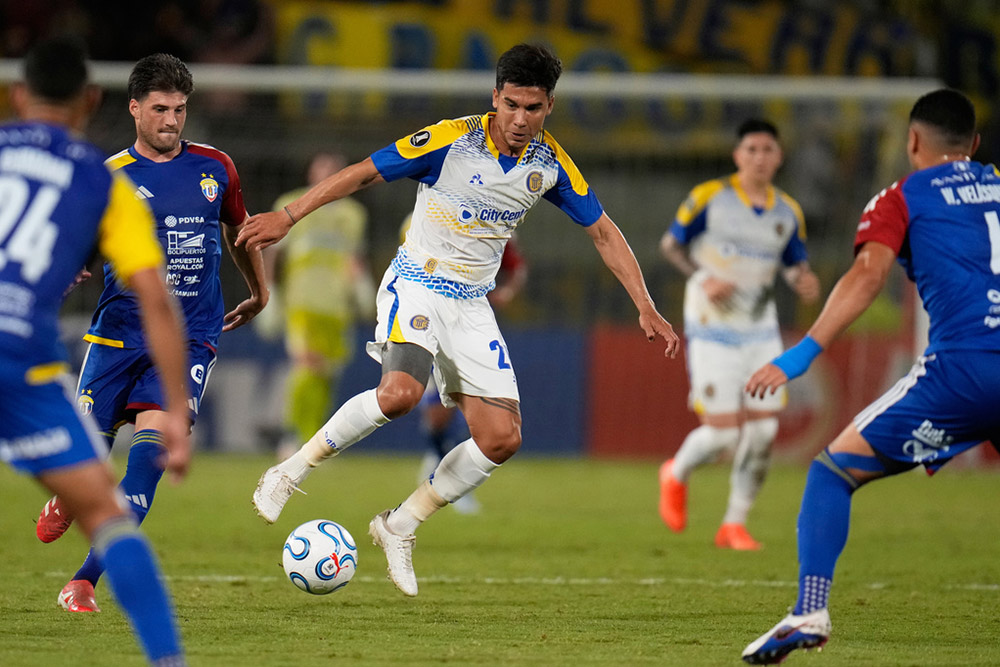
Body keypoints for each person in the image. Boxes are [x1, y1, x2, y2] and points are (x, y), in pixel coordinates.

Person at [238, 42, 680, 597]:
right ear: (495, 98)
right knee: (399, 393)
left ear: (549, 108)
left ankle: (400, 524)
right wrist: (289, 214)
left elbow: (602, 230)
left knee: (501, 438)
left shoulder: (549, 166)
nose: (520, 119)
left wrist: (644, 303)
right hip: (417, 281)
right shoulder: (451, 139)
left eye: (533, 108)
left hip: (472, 303)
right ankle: (289, 471)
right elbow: (363, 174)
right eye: (512, 104)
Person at [741, 89, 995, 664]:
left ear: (911, 143)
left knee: (832, 472)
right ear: (975, 146)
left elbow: (867, 273)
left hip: (960, 372)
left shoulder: (901, 197)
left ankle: (809, 609)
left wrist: (802, 352)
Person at [34, 52, 268, 613]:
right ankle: (68, 495)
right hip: (118, 333)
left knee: (150, 457)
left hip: (190, 336)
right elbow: (72, 245)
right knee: (84, 458)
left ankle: (85, 581)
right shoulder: (108, 175)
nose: (171, 120)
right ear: (135, 108)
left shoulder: (216, 168)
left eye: (180, 109)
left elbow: (242, 232)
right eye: (160, 109)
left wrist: (260, 292)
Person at [2, 37, 189, 665]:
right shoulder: (102, 180)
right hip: (22, 366)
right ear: (90, 102)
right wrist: (180, 422)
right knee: (109, 516)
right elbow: (156, 299)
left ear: (17, 96)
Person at [657, 119, 821, 550]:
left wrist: (802, 278)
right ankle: (675, 473)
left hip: (761, 331)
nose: (760, 157)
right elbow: (671, 246)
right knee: (725, 434)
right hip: (712, 328)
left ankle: (734, 523)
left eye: (768, 150)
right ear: (738, 155)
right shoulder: (710, 198)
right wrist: (703, 277)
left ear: (779, 157)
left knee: (765, 432)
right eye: (751, 149)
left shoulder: (787, 212)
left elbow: (793, 262)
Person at [257, 151, 375, 458]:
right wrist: (268, 294)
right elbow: (273, 254)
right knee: (306, 365)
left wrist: (362, 288)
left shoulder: (353, 215)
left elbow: (355, 259)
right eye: (320, 170)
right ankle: (291, 434)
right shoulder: (292, 203)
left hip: (337, 306)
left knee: (327, 372)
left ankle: (312, 438)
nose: (325, 178)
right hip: (302, 300)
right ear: (310, 175)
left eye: (333, 172)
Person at [413, 227, 528, 514]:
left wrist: (507, 292)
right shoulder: (421, 223)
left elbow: (518, 267)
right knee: (436, 408)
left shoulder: (496, 226)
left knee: (471, 405)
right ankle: (440, 466)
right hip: (430, 319)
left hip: (473, 325)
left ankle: (445, 474)